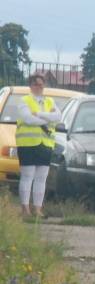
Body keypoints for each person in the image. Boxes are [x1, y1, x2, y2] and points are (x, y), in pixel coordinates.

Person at [15, 74, 62, 219]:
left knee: (41, 178)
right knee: (27, 176)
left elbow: (58, 117)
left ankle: (37, 209)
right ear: (31, 86)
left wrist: (39, 114)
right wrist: (46, 119)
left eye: (42, 84)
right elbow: (28, 119)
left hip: (46, 143)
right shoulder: (24, 101)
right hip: (28, 144)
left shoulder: (50, 101)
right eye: (36, 84)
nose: (40, 87)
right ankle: (25, 209)